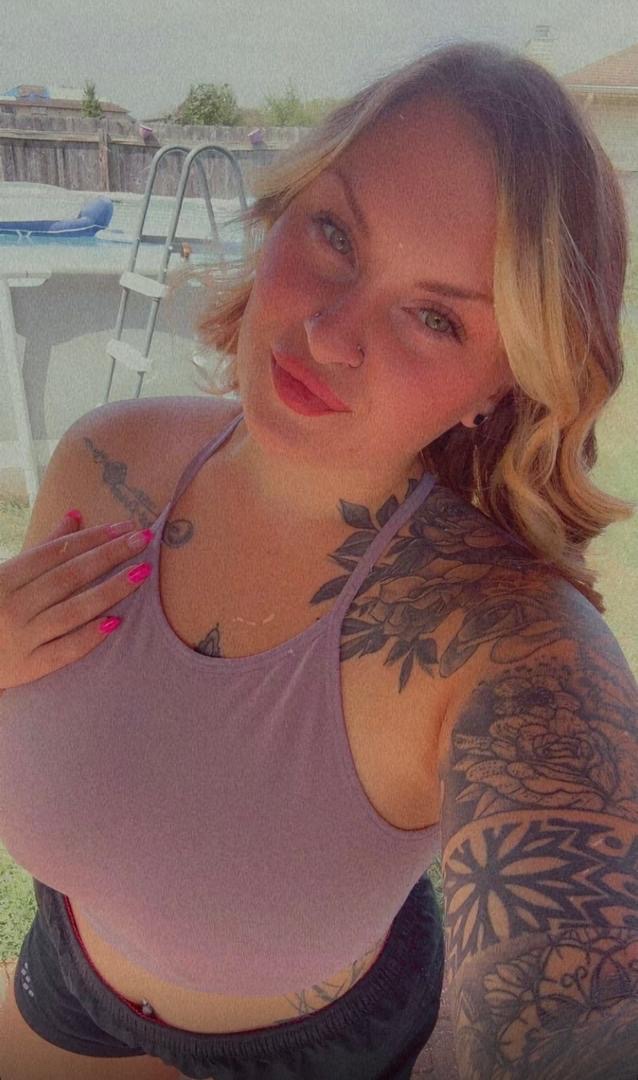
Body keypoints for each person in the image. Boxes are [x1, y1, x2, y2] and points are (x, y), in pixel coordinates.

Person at [0, 38, 637, 1080]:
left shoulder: (506, 645)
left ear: (504, 383)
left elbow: (579, 1002)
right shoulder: (106, 459)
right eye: (336, 232)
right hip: (69, 966)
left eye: (434, 316)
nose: (331, 332)